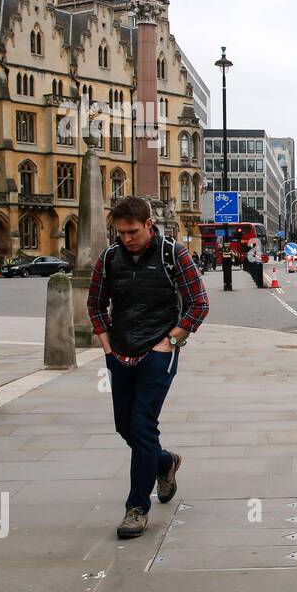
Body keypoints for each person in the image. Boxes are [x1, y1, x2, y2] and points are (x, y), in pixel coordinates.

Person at [87, 196, 209, 539]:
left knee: (141, 424)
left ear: (148, 226)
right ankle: (165, 462)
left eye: (133, 231)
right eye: (121, 232)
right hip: (120, 352)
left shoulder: (173, 254)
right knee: (125, 427)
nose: (127, 238)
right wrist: (107, 344)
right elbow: (95, 305)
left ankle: (137, 507)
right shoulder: (109, 259)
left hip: (158, 352)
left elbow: (199, 303)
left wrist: (171, 340)